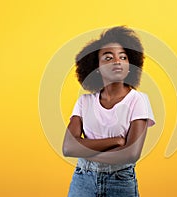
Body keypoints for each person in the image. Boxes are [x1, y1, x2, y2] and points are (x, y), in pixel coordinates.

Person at [63, 26, 155, 197]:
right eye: (108, 57)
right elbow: (68, 147)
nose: (117, 61)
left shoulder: (138, 100)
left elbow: (131, 154)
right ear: (95, 67)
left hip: (120, 182)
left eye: (123, 57)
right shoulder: (84, 102)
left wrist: (85, 152)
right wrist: (116, 141)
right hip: (82, 181)